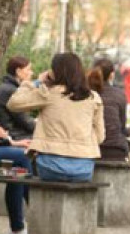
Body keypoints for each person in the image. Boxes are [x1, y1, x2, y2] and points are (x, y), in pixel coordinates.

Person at [7, 52, 106, 181]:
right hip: (84, 169)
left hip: (50, 167)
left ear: (54, 72)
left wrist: (36, 81)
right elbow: (100, 137)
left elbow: (13, 103)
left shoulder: (48, 93)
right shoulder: (94, 98)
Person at [90, 58, 130, 162]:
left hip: (92, 149)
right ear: (112, 75)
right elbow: (121, 129)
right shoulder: (119, 95)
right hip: (116, 149)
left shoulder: (86, 94)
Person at [0, 56, 36, 140]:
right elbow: (27, 123)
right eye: (28, 69)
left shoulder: (5, 87)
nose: (31, 73)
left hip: (10, 134)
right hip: (12, 136)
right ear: (18, 71)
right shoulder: (11, 91)